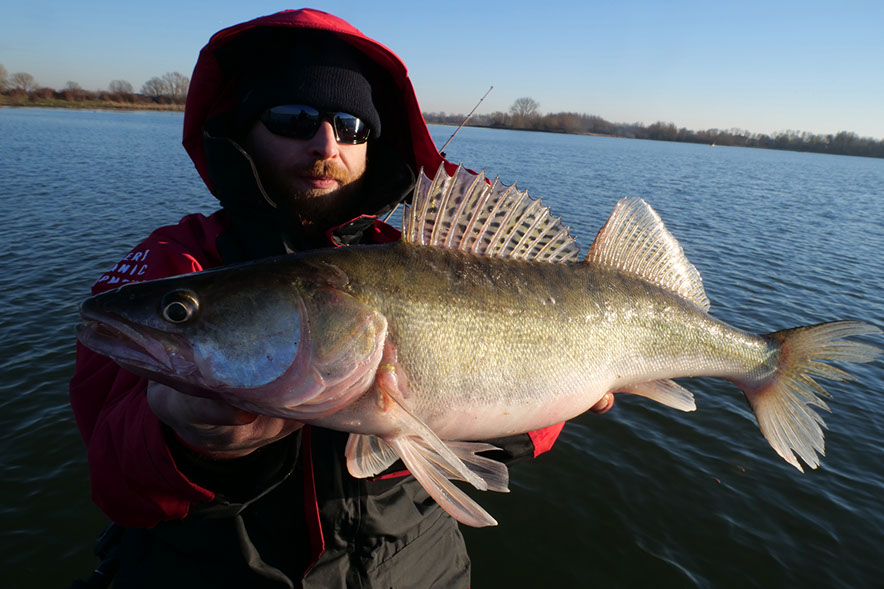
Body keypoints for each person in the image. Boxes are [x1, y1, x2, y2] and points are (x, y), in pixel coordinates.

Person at [69, 8, 614, 588]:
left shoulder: (438, 260)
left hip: (418, 569)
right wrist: (191, 443)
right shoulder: (179, 261)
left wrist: (538, 401)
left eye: (352, 126)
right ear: (244, 129)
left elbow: (537, 409)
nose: (326, 144)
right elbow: (114, 479)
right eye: (293, 118)